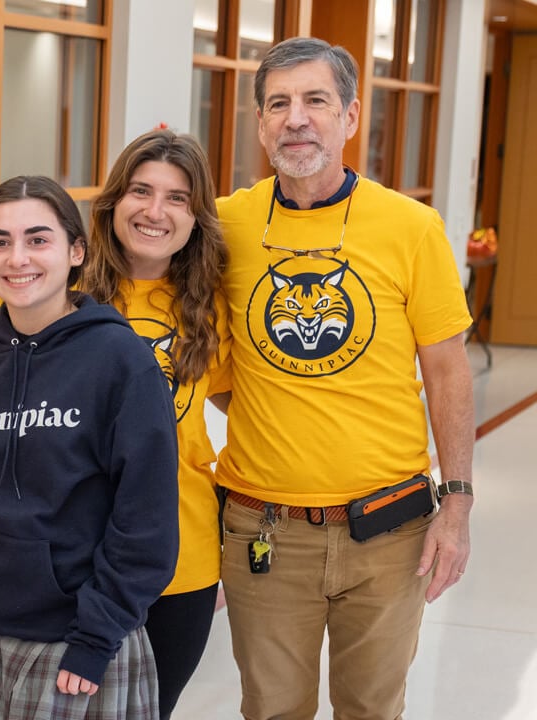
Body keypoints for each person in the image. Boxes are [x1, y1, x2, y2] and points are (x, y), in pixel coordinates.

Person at [214, 37, 474, 719]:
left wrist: (458, 506)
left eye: (315, 101)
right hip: (262, 529)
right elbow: (205, 357)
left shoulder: (412, 228)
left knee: (372, 709)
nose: (295, 118)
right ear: (261, 120)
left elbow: (447, 373)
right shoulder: (226, 224)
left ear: (351, 117)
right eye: (278, 104)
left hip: (389, 532)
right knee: (270, 710)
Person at [0, 175, 179, 720]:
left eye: (38, 239)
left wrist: (95, 637)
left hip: (77, 636)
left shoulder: (122, 362)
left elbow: (145, 522)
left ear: (76, 251)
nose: (16, 257)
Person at [80, 128, 229, 719]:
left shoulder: (213, 306)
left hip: (181, 554)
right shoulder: (62, 293)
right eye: (141, 190)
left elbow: (251, 407)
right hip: (75, 553)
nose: (155, 211)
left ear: (197, 218)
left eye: (177, 198)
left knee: (150, 711)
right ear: (114, 201)